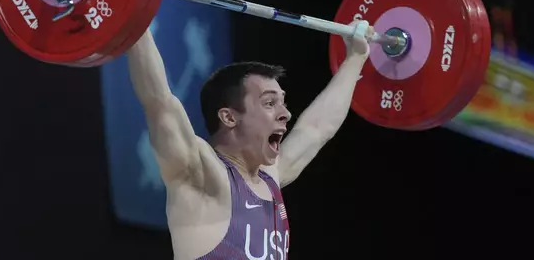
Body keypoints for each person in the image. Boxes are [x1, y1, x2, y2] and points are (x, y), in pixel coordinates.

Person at [126, 20, 374, 260]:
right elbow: (158, 101)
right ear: (229, 117)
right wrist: (136, 12)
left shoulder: (270, 177)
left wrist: (355, 58)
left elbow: (317, 128)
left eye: (282, 101)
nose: (285, 113)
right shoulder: (201, 175)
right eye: (269, 103)